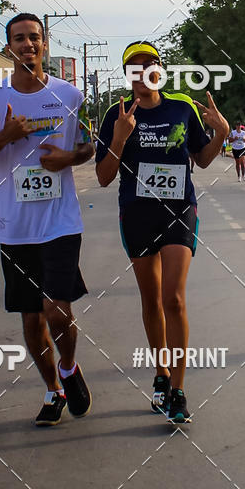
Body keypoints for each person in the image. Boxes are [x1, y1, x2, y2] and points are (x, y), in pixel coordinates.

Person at [0, 13, 95, 425]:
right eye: (19, 39)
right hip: (14, 227)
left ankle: (69, 367)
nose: (28, 45)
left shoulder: (70, 96)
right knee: (32, 319)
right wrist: (5, 136)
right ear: (9, 47)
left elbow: (89, 148)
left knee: (56, 311)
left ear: (45, 44)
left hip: (60, 223)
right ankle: (53, 390)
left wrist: (70, 158)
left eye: (34, 38)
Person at [95, 41, 229, 422]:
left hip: (178, 210)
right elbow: (104, 177)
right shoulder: (114, 114)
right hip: (136, 214)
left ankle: (178, 390)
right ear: (128, 75)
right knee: (152, 300)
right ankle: (160, 372)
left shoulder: (182, 107)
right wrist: (120, 136)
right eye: (134, 67)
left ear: (160, 69)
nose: (143, 72)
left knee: (174, 299)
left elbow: (202, 160)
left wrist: (219, 134)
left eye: (149, 64)